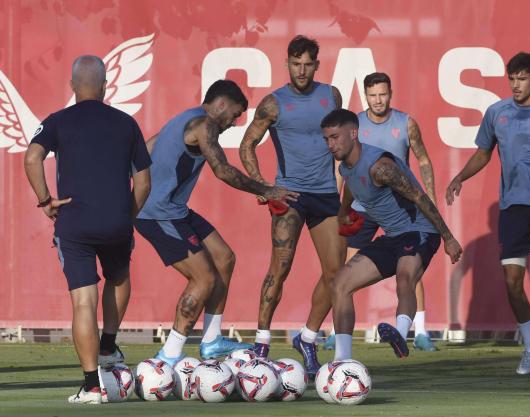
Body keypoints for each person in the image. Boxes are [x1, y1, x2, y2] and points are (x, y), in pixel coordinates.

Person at [135, 79, 298, 368]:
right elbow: (222, 170)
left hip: (174, 210)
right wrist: (266, 190)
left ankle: (211, 340)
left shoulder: (184, 118)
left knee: (224, 258)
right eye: (235, 114)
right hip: (158, 214)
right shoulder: (205, 124)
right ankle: (169, 355)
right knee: (204, 278)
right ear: (221, 104)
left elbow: (148, 146)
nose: (234, 123)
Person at [24, 55, 152, 404]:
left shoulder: (57, 121)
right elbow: (143, 181)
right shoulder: (126, 123)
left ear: (72, 86)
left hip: (75, 222)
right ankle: (109, 345)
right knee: (119, 277)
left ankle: (91, 387)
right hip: (116, 221)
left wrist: (45, 200)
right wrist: (129, 213)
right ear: (105, 85)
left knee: (83, 301)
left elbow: (32, 158)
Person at [445, 52, 530, 375]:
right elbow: (483, 153)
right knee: (513, 283)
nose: (516, 85)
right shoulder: (496, 113)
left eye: (521, 78)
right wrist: (460, 176)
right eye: (511, 79)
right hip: (512, 208)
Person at [239, 35, 345, 378]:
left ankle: (308, 338)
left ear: (316, 65)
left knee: (337, 275)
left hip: (326, 195)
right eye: (295, 64)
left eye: (307, 64)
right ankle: (261, 343)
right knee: (280, 266)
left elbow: (343, 144)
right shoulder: (273, 103)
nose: (301, 70)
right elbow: (246, 145)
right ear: (287, 64)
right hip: (291, 196)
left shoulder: (331, 96)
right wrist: (265, 187)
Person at [321, 108, 462, 360]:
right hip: (392, 237)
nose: (330, 145)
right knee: (340, 284)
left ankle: (400, 333)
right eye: (327, 139)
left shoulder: (381, 167)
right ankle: (341, 361)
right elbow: (352, 187)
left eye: (335, 137)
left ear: (354, 133)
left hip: (420, 232)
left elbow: (420, 197)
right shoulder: (346, 169)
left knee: (405, 277)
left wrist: (448, 237)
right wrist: (343, 212)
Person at [327, 72, 438, 351]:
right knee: (347, 269)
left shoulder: (405, 123)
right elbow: (346, 172)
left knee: (410, 271)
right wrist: (337, 204)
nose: (378, 100)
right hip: (363, 207)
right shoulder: (353, 125)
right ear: (366, 96)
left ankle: (420, 330)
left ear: (391, 94)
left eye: (383, 94)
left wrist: (431, 197)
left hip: (400, 209)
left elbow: (423, 160)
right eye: (373, 95)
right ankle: (336, 333)